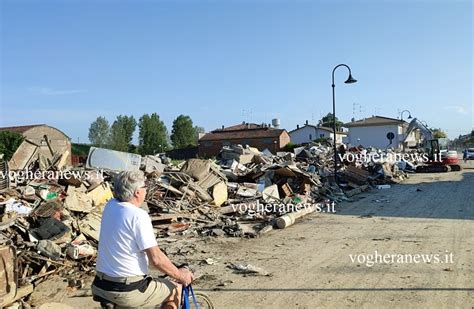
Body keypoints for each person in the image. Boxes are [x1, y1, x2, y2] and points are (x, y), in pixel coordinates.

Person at [91, 171, 194, 308]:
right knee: (175, 289)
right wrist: (180, 275)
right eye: (145, 187)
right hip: (127, 289)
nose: (146, 190)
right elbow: (156, 259)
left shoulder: (110, 206)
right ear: (138, 192)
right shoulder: (138, 216)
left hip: (101, 283)